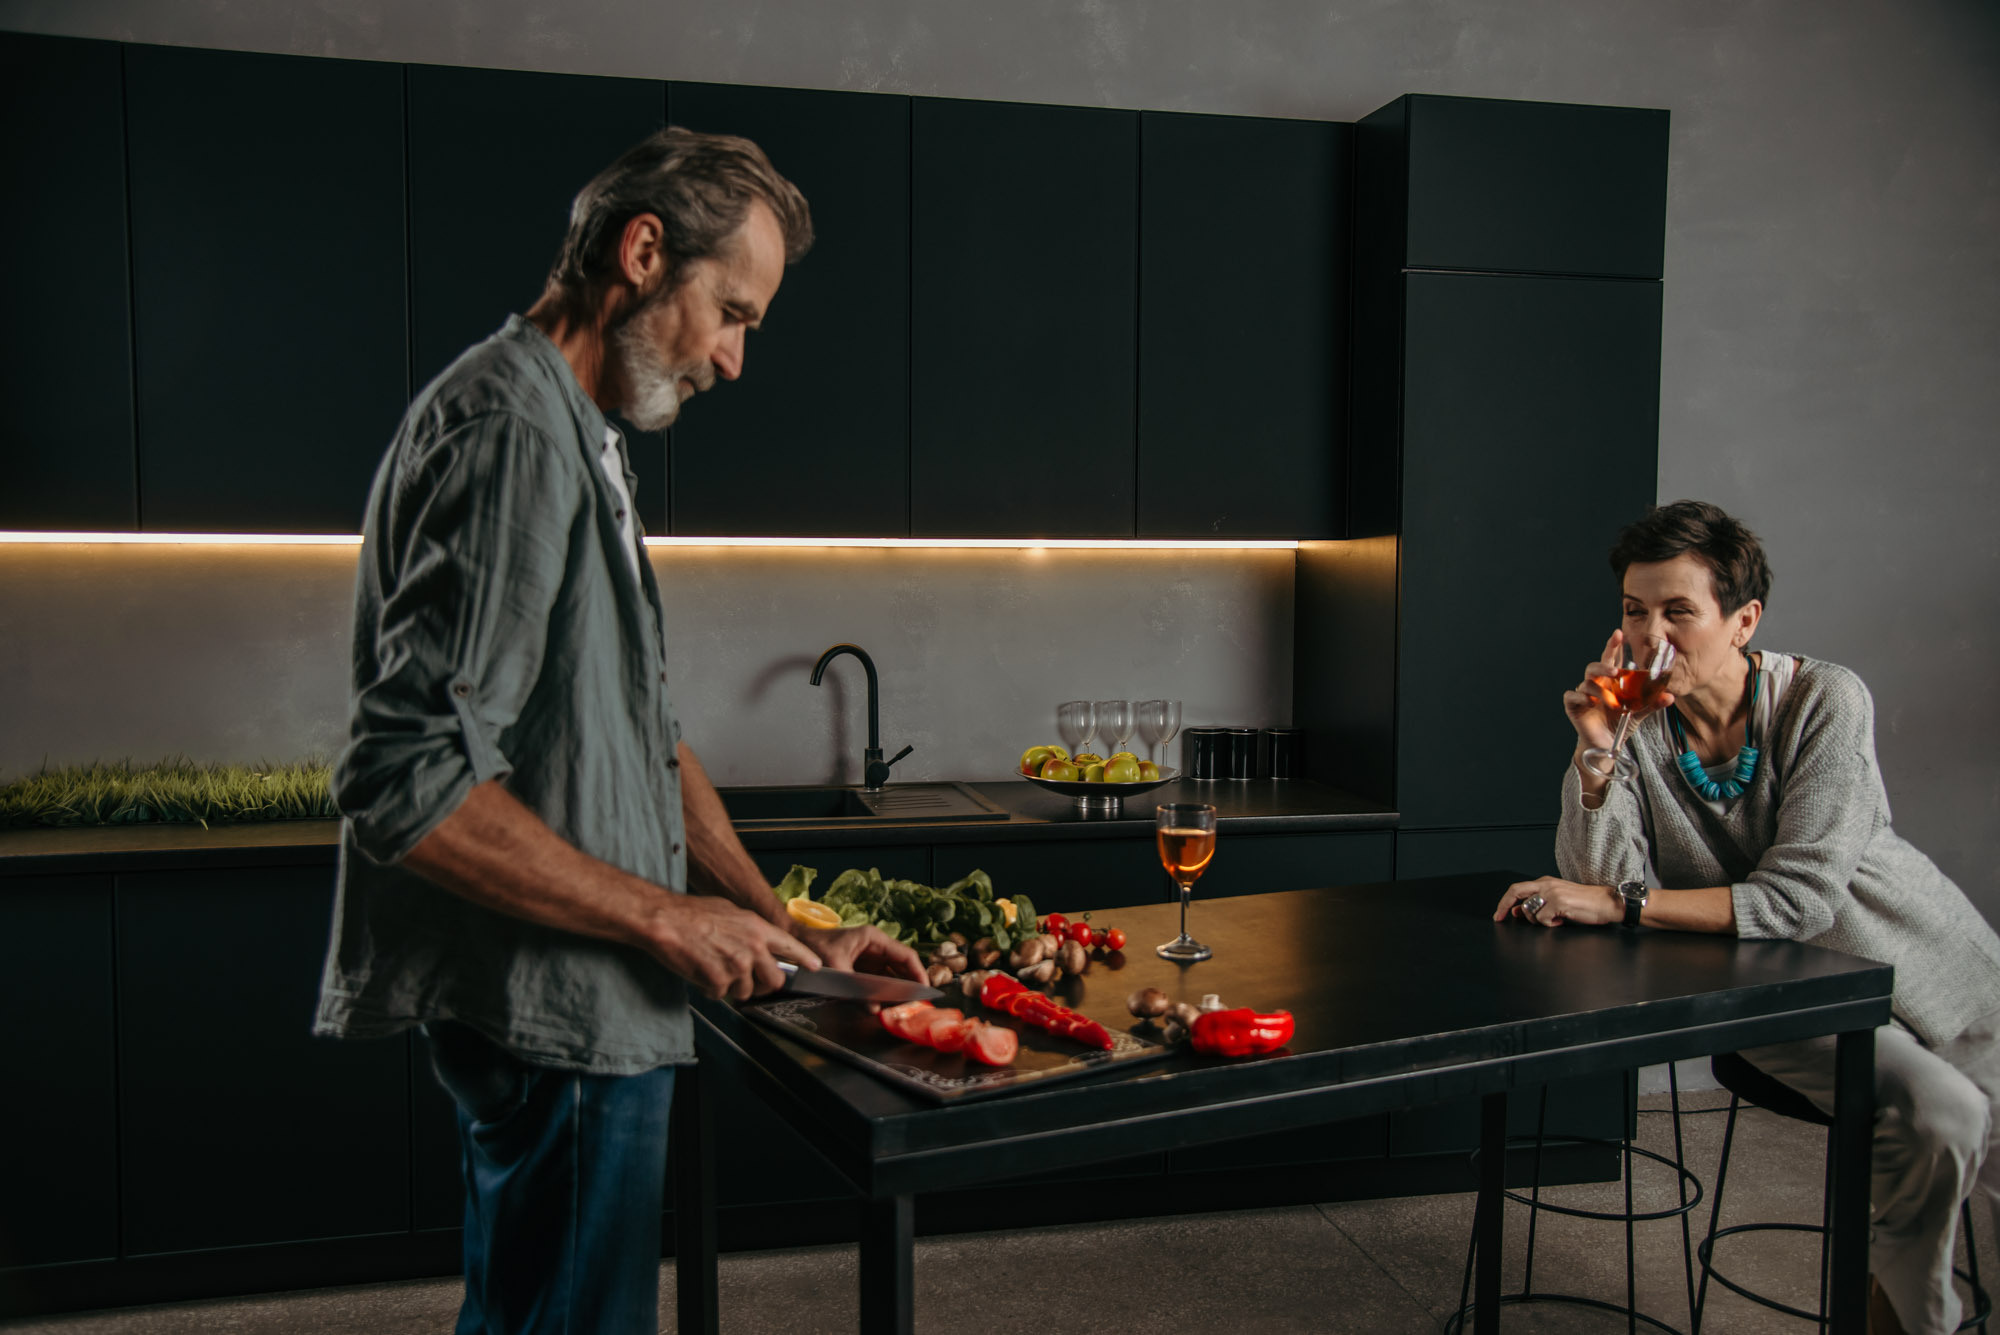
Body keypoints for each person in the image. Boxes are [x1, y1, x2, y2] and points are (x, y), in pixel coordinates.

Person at [314, 128, 924, 1334]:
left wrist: (785, 928)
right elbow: (405, 780)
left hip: (584, 1004)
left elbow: (643, 736)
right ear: (644, 254)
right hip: (557, 1012)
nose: (736, 360)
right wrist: (659, 913)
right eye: (731, 313)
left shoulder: (577, 437)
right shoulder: (513, 436)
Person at [1494, 499, 2000, 1335]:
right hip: (1781, 994)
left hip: (1936, 970)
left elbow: (1797, 896)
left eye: (1678, 611)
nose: (1651, 634)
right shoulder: (1634, 723)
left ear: (1743, 619)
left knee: (1966, 1148)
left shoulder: (1825, 699)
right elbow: (1600, 885)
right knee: (1942, 1118)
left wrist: (1621, 901)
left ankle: (1891, 1296)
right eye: (1633, 609)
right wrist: (1596, 754)